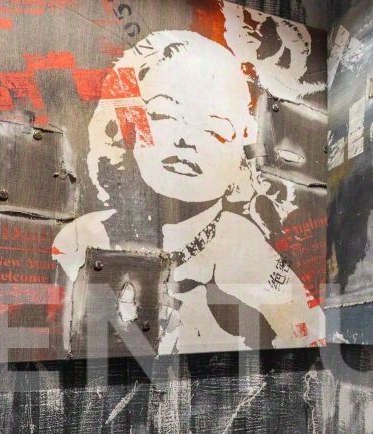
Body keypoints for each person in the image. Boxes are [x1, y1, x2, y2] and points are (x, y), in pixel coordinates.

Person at [84, 30, 324, 352]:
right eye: (164, 114)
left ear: (243, 143)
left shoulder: (243, 244)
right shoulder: (81, 238)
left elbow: (312, 332)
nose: (186, 139)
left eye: (215, 129)